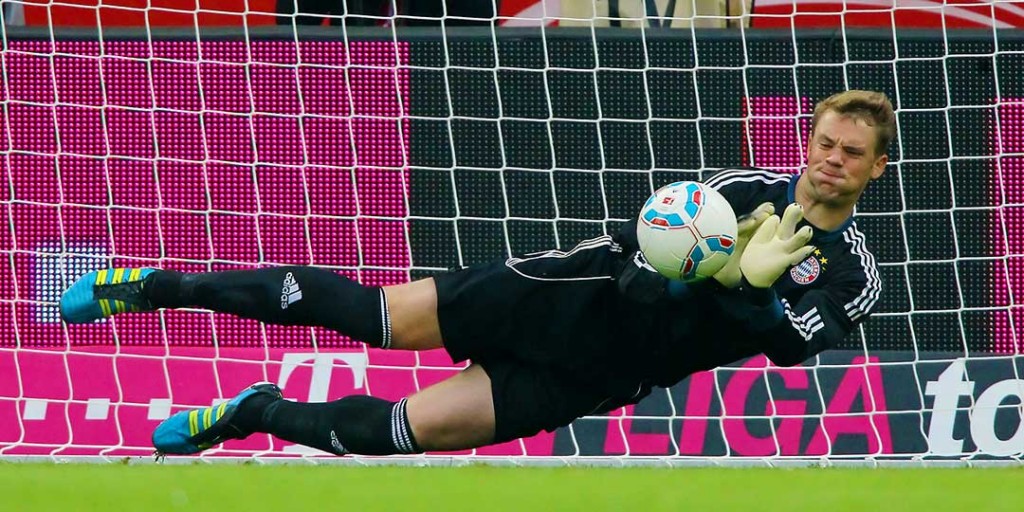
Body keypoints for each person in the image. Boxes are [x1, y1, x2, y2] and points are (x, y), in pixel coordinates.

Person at [59, 89, 889, 458]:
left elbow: (787, 348)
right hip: (572, 295)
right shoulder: (739, 190)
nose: (831, 162)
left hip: (609, 373)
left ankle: (251, 411)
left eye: (852, 154)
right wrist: (718, 272)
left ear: (876, 170)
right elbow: (648, 258)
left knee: (390, 435)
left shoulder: (854, 272)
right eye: (824, 143)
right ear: (807, 139)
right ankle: (150, 285)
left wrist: (752, 288)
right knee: (371, 318)